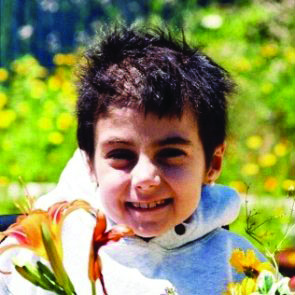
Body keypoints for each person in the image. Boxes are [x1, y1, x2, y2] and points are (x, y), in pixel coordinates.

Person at [0, 26, 266, 295]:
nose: (145, 179)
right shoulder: (42, 253)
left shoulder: (243, 265)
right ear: (90, 163)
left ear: (213, 164)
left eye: (171, 153)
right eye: (120, 155)